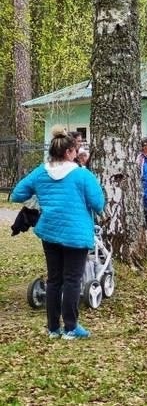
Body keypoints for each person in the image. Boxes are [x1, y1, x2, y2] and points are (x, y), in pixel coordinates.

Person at [12, 126, 106, 339]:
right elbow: (98, 203)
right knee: (72, 279)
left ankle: (53, 328)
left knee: (54, 280)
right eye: (75, 150)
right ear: (68, 152)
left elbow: (17, 193)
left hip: (50, 231)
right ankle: (71, 328)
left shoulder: (40, 172)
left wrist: (37, 200)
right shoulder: (82, 174)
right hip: (76, 233)